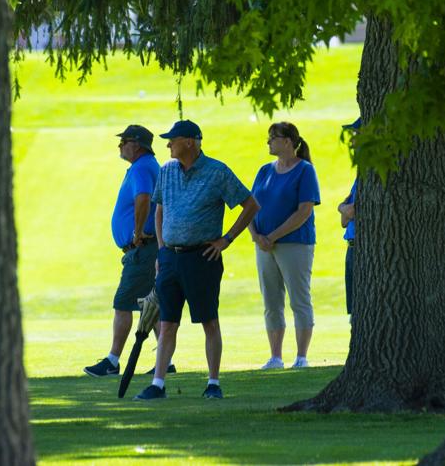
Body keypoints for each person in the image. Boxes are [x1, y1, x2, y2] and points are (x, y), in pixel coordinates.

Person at [134, 120, 260, 400]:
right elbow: (160, 210)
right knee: (167, 323)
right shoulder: (166, 171)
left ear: (190, 142)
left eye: (173, 139)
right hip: (171, 258)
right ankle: (158, 384)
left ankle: (213, 383)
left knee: (209, 321)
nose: (167, 144)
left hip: (202, 257)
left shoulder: (217, 172)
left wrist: (226, 239)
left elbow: (251, 204)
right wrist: (163, 249)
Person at [83, 125, 167, 377]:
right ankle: (166, 359)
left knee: (123, 303)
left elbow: (142, 198)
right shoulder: (144, 166)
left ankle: (112, 361)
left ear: (138, 144)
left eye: (125, 141)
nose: (120, 146)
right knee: (149, 305)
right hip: (145, 248)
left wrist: (138, 232)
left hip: (141, 248)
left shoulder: (142, 167)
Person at [248, 122, 320, 370]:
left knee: (299, 299)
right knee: (271, 301)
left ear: (288, 141)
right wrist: (257, 236)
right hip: (264, 246)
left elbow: (303, 211)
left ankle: (301, 357)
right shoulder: (264, 171)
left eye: (273, 137)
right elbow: (250, 205)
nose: (268, 142)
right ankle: (275, 357)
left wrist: (273, 236)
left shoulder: (304, 171)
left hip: (294, 244)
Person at [338, 118, 360, 318]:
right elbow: (344, 221)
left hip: (361, 250)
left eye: (356, 135)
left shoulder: (369, 174)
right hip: (351, 247)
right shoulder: (360, 174)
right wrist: (343, 209)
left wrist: (341, 207)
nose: (351, 142)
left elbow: (349, 212)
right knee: (354, 309)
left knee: (360, 311)